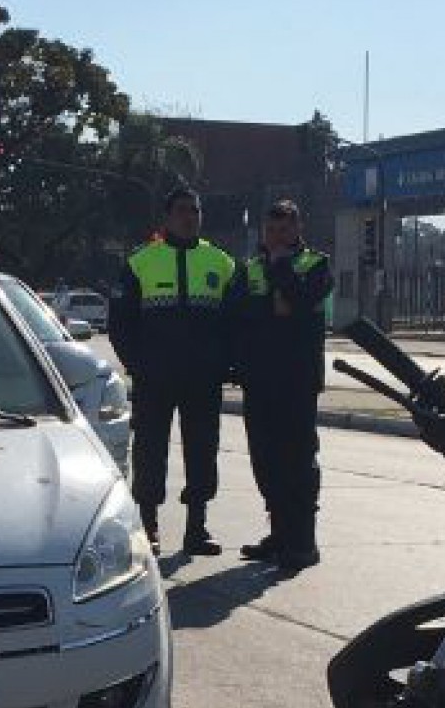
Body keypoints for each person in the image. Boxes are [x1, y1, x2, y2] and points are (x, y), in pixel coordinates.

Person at [110, 186, 237, 554]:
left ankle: (197, 529)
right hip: (155, 379)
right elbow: (120, 323)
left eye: (195, 211)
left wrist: (225, 363)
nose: (189, 217)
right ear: (167, 217)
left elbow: (236, 321)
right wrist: (139, 365)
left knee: (202, 451)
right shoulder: (140, 262)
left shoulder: (222, 263)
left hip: (203, 378)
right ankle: (148, 525)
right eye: (182, 211)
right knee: (150, 451)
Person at [227, 199, 334, 571]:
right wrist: (276, 307)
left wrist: (282, 270)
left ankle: (302, 542)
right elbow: (238, 315)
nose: (277, 235)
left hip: (298, 381)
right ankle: (279, 534)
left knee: (298, 462)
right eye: (271, 229)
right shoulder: (248, 268)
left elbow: (302, 305)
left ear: (298, 228)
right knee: (266, 461)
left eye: (285, 227)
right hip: (259, 380)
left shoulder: (316, 264)